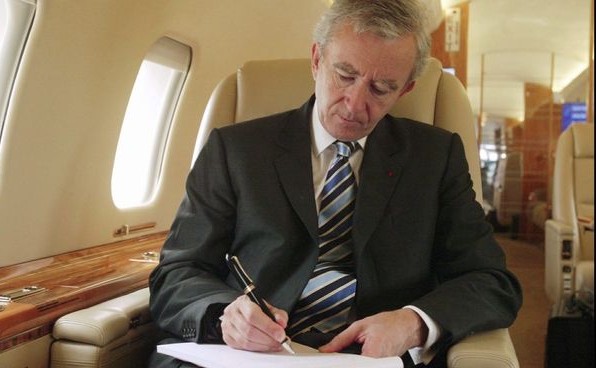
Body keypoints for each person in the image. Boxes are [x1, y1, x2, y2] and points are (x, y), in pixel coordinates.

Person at [148, 0, 522, 367]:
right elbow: (177, 272)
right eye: (344, 76)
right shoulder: (235, 149)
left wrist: (413, 323)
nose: (355, 105)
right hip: (244, 355)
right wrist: (223, 316)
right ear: (316, 60)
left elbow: (491, 281)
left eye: (381, 89)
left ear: (406, 89)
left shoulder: (435, 158)